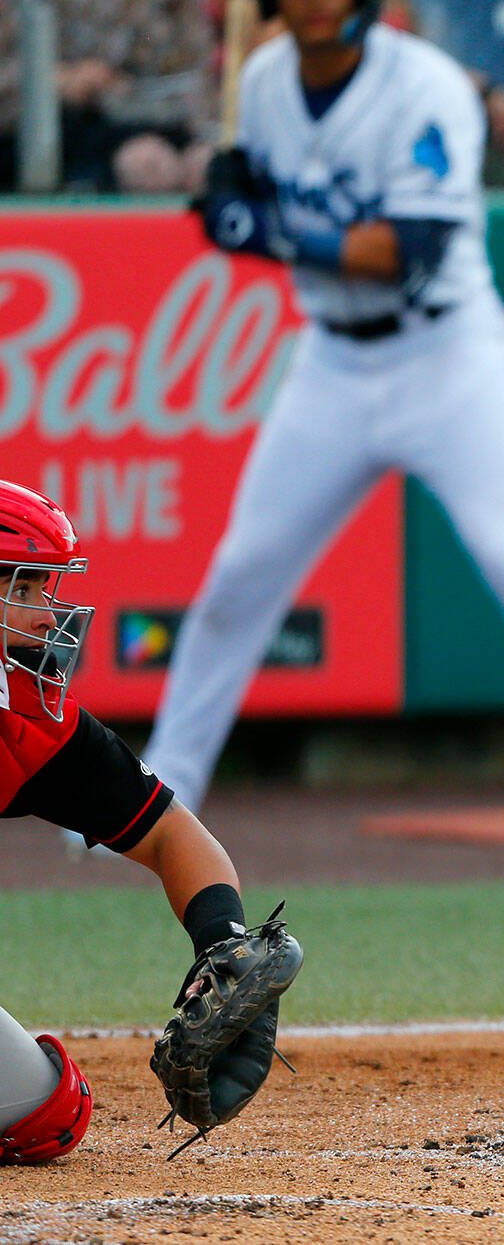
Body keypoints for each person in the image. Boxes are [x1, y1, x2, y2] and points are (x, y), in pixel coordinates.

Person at [166, 0, 504, 860]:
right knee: (236, 578)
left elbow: (411, 250)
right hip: (333, 366)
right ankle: (158, 799)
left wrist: (261, 228)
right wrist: (228, 192)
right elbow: (261, 199)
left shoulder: (425, 83)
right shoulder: (261, 84)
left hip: (451, 356)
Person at [0, 481, 298, 1163]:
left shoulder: (27, 726)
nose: (49, 616)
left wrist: (222, 951)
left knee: (49, 1111)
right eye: (25, 588)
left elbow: (173, 835)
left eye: (48, 588)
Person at [0, 0, 216, 193]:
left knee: (205, 164)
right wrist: (58, 81)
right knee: (145, 164)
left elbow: (196, 67)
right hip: (41, 132)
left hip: (148, 118)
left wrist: (132, 92)